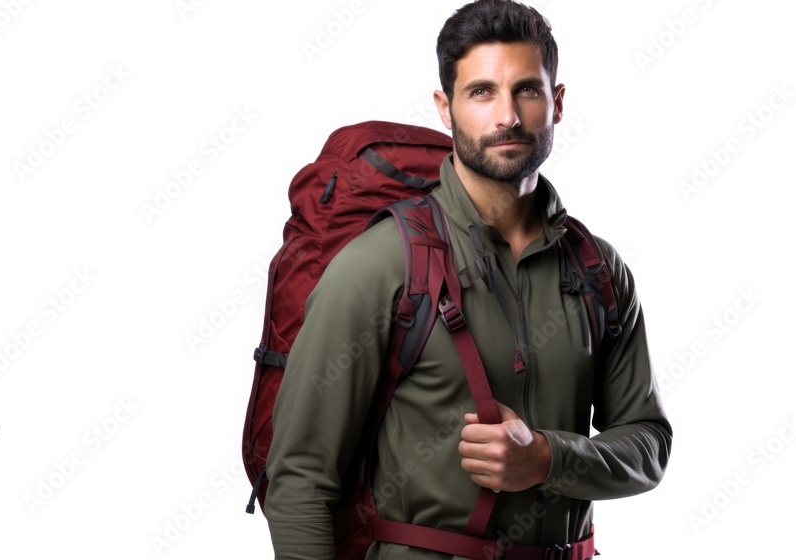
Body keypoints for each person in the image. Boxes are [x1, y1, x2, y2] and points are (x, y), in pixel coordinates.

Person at [264, 1, 672, 558]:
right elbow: (300, 481)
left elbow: (649, 443)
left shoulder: (597, 267)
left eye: (526, 90)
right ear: (445, 108)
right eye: (481, 92)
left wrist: (546, 459)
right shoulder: (380, 264)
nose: (507, 116)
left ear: (556, 103)